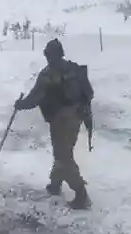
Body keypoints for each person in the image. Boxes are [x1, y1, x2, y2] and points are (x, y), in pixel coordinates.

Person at [14, 38, 94, 209]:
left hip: (61, 118)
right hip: (77, 115)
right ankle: (55, 183)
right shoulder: (74, 69)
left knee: (63, 155)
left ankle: (81, 193)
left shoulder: (48, 74)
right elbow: (89, 93)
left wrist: (21, 105)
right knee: (63, 150)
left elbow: (34, 98)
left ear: (49, 55)